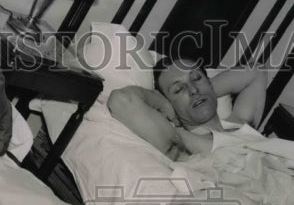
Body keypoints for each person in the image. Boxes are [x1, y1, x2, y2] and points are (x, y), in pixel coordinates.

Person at [106, 56, 268, 160]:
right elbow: (122, 100)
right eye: (178, 90)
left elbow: (256, 70)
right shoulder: (182, 143)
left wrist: (206, 90)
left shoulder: (240, 122)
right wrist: (165, 104)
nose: (193, 90)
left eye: (196, 78)